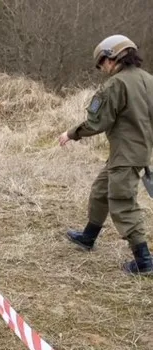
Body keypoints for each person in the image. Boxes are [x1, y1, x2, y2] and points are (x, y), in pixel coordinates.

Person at [59, 35, 153, 275]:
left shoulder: (116, 84)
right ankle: (88, 237)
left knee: (122, 203)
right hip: (135, 151)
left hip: (126, 154)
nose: (102, 69)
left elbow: (97, 121)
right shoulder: (148, 80)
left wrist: (71, 133)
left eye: (102, 63)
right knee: (101, 191)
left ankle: (144, 261)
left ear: (111, 57)